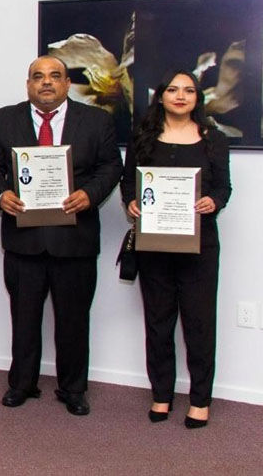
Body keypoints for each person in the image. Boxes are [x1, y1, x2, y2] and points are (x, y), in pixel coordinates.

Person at [0, 55, 122, 416]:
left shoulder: (97, 120)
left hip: (75, 240)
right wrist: (1, 194)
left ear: (67, 84)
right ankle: (21, 383)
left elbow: (111, 166)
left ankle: (73, 388)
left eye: (55, 76)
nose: (46, 82)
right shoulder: (6, 118)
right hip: (23, 240)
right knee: (24, 318)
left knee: (74, 320)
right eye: (38, 76)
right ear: (28, 84)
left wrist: (90, 194)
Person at [121, 70, 231, 429]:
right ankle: (162, 395)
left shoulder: (214, 139)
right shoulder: (142, 137)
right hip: (154, 244)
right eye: (173, 89)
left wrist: (213, 202)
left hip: (200, 246)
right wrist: (131, 202)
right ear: (161, 96)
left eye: (188, 90)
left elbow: (223, 188)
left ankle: (200, 400)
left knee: (200, 325)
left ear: (197, 97)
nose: (180, 96)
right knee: (158, 323)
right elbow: (128, 183)